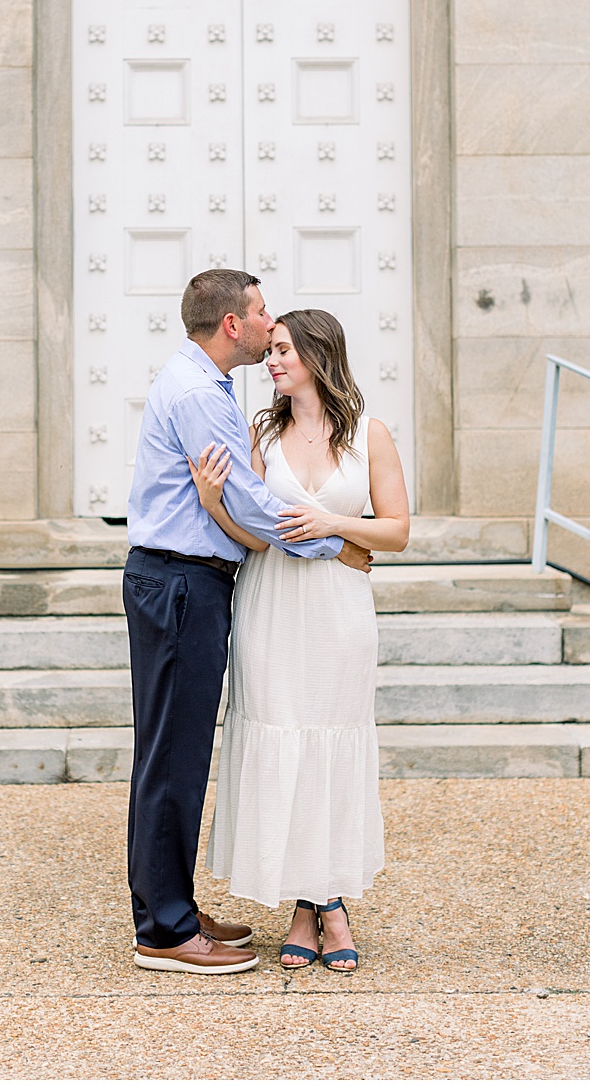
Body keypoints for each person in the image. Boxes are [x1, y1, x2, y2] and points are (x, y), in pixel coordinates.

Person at [125, 270, 373, 975]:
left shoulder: (202, 385)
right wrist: (333, 542)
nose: (268, 326)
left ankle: (170, 907)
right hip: (180, 582)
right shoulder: (203, 394)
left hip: (185, 580)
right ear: (232, 324)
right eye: (262, 313)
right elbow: (253, 505)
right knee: (171, 759)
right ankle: (166, 932)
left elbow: (241, 509)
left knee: (173, 754)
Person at [188, 309, 410, 972]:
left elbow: (397, 531)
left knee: (331, 744)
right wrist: (214, 504)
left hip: (340, 610)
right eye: (272, 349)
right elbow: (257, 535)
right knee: (282, 733)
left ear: (318, 355)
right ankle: (309, 908)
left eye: (283, 350)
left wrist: (332, 523)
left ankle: (326, 903)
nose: (272, 360)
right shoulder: (263, 433)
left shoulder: (370, 435)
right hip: (273, 604)